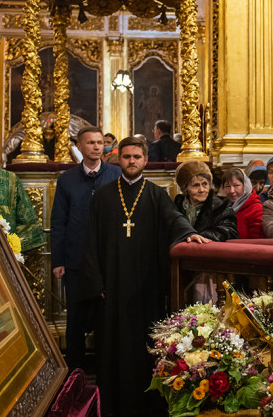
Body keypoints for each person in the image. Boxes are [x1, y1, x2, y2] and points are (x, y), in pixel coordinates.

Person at [82, 136, 209, 416]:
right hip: (111, 288)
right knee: (112, 349)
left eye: (136, 157)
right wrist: (96, 283)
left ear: (145, 160)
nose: (131, 161)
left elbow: (173, 219)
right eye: (126, 157)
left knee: (145, 348)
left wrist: (188, 233)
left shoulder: (155, 194)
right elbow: (89, 241)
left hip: (145, 287)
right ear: (118, 159)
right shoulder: (103, 196)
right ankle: (112, 407)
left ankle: (148, 407)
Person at [50, 126, 121, 372]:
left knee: (106, 320)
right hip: (76, 260)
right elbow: (59, 221)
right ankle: (75, 374)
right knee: (76, 322)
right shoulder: (67, 179)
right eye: (90, 143)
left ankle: (107, 373)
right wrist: (58, 260)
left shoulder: (116, 175)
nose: (96, 147)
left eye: (100, 142)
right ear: (79, 147)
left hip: (107, 261)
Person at [174, 161, 239, 242]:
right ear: (185, 189)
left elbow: (228, 231)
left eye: (205, 184)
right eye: (196, 185)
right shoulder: (177, 206)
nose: (202, 190)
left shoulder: (222, 207)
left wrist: (200, 236)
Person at [222, 168, 264, 239]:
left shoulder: (256, 209)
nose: (231, 191)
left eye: (236, 185)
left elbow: (258, 241)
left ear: (245, 186)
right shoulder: (225, 207)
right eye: (227, 186)